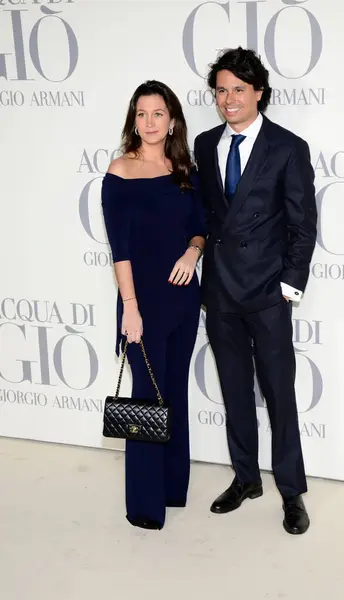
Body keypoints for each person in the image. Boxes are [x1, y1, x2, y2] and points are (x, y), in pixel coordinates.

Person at [194, 48, 317, 535]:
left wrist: (289, 285)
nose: (228, 99)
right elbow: (207, 215)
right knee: (235, 395)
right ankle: (246, 478)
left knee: (279, 396)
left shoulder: (287, 147)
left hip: (268, 294)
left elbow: (303, 225)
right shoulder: (205, 145)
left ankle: (291, 492)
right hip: (220, 293)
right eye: (221, 90)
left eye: (238, 90)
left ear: (258, 92)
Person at [101, 80, 205, 530]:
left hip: (183, 298)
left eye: (157, 113)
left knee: (174, 393)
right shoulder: (120, 171)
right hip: (141, 303)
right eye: (141, 114)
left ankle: (171, 488)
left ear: (173, 120)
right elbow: (119, 248)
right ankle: (145, 505)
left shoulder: (186, 170)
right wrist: (130, 307)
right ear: (133, 120)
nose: (149, 122)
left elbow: (199, 228)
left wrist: (192, 252)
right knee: (146, 398)